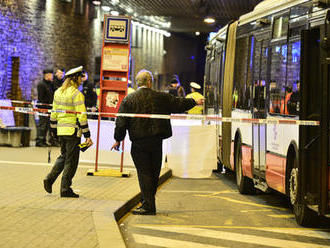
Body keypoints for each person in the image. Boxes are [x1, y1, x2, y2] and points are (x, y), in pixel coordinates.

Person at [111, 69, 204, 215]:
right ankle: (147, 201)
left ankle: (148, 205)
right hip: (156, 142)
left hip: (139, 143)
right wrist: (194, 101)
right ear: (150, 82)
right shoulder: (161, 97)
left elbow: (121, 121)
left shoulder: (129, 99)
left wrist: (118, 139)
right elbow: (179, 104)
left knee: (144, 173)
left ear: (138, 83)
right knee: (154, 173)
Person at [43, 66, 93, 198]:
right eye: (80, 78)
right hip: (72, 131)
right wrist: (87, 135)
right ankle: (65, 188)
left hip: (61, 130)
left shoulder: (58, 92)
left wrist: (53, 130)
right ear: (75, 78)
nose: (82, 80)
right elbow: (81, 115)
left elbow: (53, 113)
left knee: (64, 156)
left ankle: (49, 179)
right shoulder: (76, 94)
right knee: (71, 160)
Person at [36, 69, 54, 147]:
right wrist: (43, 108)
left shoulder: (50, 84)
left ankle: (44, 140)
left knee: (47, 125)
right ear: (47, 75)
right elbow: (41, 98)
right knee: (42, 125)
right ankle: (39, 141)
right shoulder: (41, 84)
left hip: (49, 108)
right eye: (51, 75)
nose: (52, 76)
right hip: (43, 108)